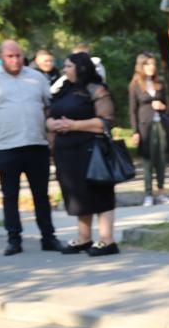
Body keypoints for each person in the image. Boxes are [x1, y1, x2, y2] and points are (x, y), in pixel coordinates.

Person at [0, 40, 62, 256]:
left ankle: (48, 238)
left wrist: (51, 136)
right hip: (7, 147)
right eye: (10, 56)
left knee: (41, 195)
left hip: (36, 144)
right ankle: (14, 240)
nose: (15, 60)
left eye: (18, 55)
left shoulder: (36, 77)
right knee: (10, 196)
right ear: (1, 57)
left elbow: (48, 107)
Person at [47, 53, 119, 256]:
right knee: (78, 195)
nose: (65, 70)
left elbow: (106, 121)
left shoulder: (96, 89)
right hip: (66, 152)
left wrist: (74, 125)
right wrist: (51, 124)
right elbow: (49, 115)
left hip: (91, 150)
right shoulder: (64, 89)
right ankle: (84, 238)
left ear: (81, 68)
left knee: (99, 193)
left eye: (69, 66)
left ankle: (107, 240)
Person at [129, 53, 169, 206]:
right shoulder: (135, 84)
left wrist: (162, 106)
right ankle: (148, 194)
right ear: (141, 66)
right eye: (148, 64)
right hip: (145, 126)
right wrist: (135, 131)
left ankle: (161, 192)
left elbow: (168, 105)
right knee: (147, 161)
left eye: (153, 64)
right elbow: (132, 110)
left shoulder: (159, 83)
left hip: (160, 124)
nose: (151, 67)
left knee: (161, 159)